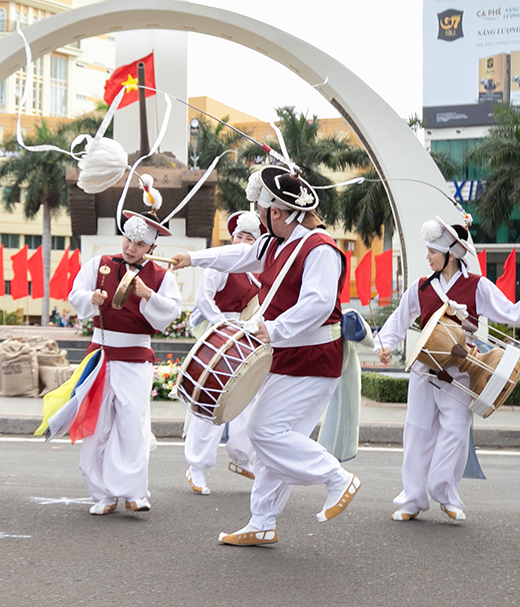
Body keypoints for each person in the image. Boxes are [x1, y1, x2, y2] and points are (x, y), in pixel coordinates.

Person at [170, 166, 359, 546]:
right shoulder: (274, 243)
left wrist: (272, 329)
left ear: (277, 212)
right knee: (273, 436)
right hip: (286, 355)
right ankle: (263, 521)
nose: (257, 216)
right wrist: (193, 259)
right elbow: (238, 256)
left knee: (264, 431)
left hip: (313, 358)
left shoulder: (320, 249)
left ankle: (335, 477)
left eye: (260, 209)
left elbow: (318, 304)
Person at [375, 217, 520, 522]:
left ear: (450, 254)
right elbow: (399, 319)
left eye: (432, 251)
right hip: (425, 368)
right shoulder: (420, 287)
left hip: (460, 371)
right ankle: (413, 498)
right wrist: (385, 345)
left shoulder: (477, 286)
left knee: (455, 433)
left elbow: (510, 311)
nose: (427, 256)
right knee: (416, 434)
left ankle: (445, 493)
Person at [67, 210, 182, 515]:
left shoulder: (161, 276)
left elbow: (170, 312)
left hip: (135, 357)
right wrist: (89, 297)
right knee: (98, 424)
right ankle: (102, 495)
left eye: (140, 244)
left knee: (133, 424)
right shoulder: (100, 264)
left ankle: (134, 492)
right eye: (128, 239)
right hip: (101, 354)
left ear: (152, 248)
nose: (131, 247)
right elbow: (75, 293)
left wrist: (148, 295)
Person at [182, 210, 261, 495]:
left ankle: (241, 457)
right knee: (211, 401)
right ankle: (197, 466)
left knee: (246, 400)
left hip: (246, 336)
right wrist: (222, 325)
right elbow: (204, 299)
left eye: (249, 238)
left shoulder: (257, 272)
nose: (242, 241)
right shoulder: (219, 266)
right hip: (219, 336)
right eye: (238, 236)